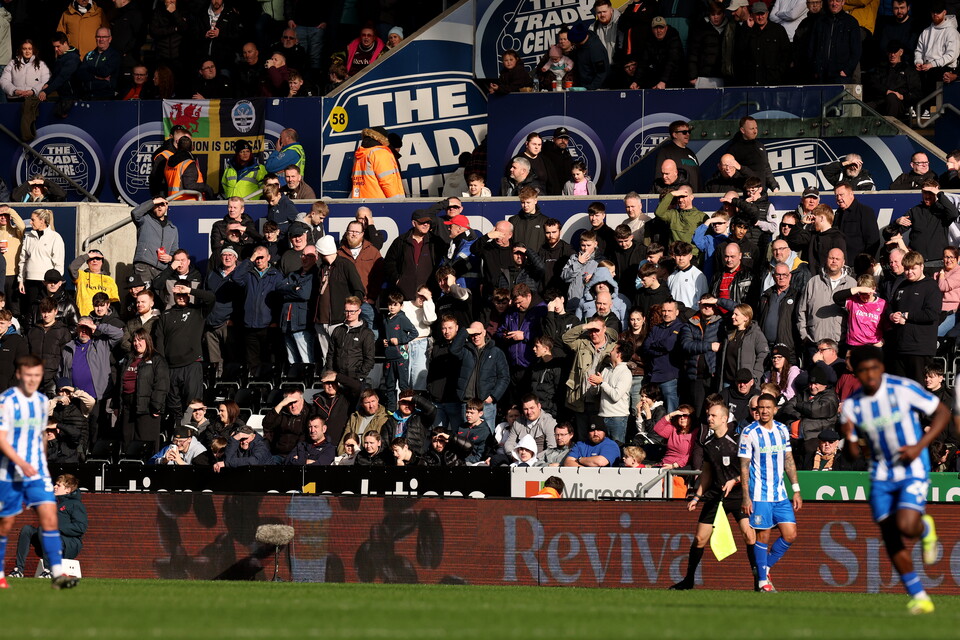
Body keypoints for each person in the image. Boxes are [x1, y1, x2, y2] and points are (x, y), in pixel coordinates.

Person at [840, 345, 950, 614]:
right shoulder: (853, 406)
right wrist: (850, 437)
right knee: (890, 537)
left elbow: (943, 413)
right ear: (857, 372)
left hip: (912, 466)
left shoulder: (902, 388)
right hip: (880, 475)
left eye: (874, 369)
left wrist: (919, 446)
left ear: (882, 368)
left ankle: (925, 528)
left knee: (907, 525)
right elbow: (854, 454)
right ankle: (919, 596)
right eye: (863, 371)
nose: (870, 376)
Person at [0, 355, 79, 589]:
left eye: (37, 375)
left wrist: (41, 461)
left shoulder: (41, 402)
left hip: (36, 472)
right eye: (28, 375)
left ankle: (57, 574)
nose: (33, 379)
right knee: (5, 523)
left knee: (49, 517)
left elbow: (40, 436)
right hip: (11, 471)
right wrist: (20, 462)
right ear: (19, 375)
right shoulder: (6, 401)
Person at [671, 401, 759, 590]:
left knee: (749, 535)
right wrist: (696, 496)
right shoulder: (709, 444)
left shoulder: (738, 440)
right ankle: (688, 580)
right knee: (700, 539)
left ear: (724, 419)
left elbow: (749, 468)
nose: (709, 418)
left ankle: (759, 581)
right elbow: (707, 473)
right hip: (716, 495)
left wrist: (734, 480)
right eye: (708, 415)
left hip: (737, 495)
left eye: (713, 416)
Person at [739, 393, 802, 592]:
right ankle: (762, 582)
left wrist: (796, 490)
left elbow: (789, 460)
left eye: (768, 407)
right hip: (759, 495)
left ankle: (763, 569)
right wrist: (746, 496)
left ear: (775, 409)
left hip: (781, 494)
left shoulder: (782, 430)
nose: (764, 411)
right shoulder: (749, 432)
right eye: (760, 408)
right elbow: (743, 467)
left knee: (790, 534)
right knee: (763, 536)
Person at [8, 473, 87, 581]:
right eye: (55, 484)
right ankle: (18, 570)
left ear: (68, 489)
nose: (55, 487)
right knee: (27, 529)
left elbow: (80, 527)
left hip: (69, 545)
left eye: (58, 485)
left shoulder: (75, 504)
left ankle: (50, 570)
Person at [116, 329, 169, 452]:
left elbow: (161, 384)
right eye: (134, 340)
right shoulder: (128, 358)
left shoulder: (157, 359)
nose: (137, 343)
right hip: (127, 406)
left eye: (140, 340)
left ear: (147, 340)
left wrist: (156, 406)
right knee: (126, 441)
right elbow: (119, 382)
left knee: (146, 442)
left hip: (147, 407)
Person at [19, 209, 65, 315]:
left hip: (47, 283)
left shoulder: (55, 237)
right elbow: (23, 260)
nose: (30, 222)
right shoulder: (29, 237)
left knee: (46, 311)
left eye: (33, 220)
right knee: (32, 311)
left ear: (42, 220)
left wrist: (55, 282)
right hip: (30, 282)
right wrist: (21, 280)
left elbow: (59, 263)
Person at [131, 197, 178, 284]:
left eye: (162, 204)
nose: (160, 207)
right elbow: (135, 213)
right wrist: (153, 201)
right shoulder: (145, 220)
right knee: (144, 295)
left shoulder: (173, 228)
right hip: (144, 265)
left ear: (167, 206)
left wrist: (171, 258)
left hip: (162, 270)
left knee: (158, 297)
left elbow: (174, 250)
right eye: (157, 205)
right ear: (152, 206)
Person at [351, 126, 403, 198]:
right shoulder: (381, 153)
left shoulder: (361, 154)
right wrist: (398, 203)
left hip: (362, 202)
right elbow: (388, 182)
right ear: (384, 139)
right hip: (380, 204)